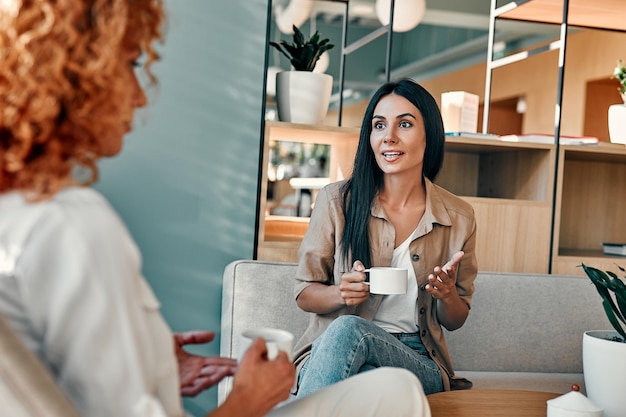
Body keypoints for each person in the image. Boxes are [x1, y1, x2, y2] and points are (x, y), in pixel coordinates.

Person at [0, 1, 432, 417]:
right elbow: (306, 291)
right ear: (72, 75)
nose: (139, 96)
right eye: (132, 65)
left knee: (395, 385)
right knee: (395, 393)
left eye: (405, 125)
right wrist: (248, 399)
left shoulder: (21, 215)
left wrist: (154, 366)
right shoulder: (70, 225)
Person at [292, 78, 478, 398]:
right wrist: (341, 294)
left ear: (429, 134)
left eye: (404, 124)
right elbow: (304, 293)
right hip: (332, 352)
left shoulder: (458, 217)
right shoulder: (337, 201)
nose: (389, 137)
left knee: (353, 346)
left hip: (416, 358)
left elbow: (455, 320)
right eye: (379, 126)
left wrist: (447, 295)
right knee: (356, 352)